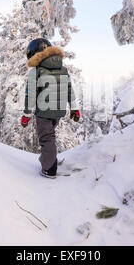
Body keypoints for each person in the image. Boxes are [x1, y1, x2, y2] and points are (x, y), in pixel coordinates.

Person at [21, 38, 80, 179]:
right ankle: (48, 159)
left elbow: (30, 95)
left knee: (47, 139)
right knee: (50, 136)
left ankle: (49, 169)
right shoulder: (63, 69)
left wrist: (26, 115)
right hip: (59, 111)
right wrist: (74, 108)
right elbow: (69, 89)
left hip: (44, 111)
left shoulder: (36, 72)